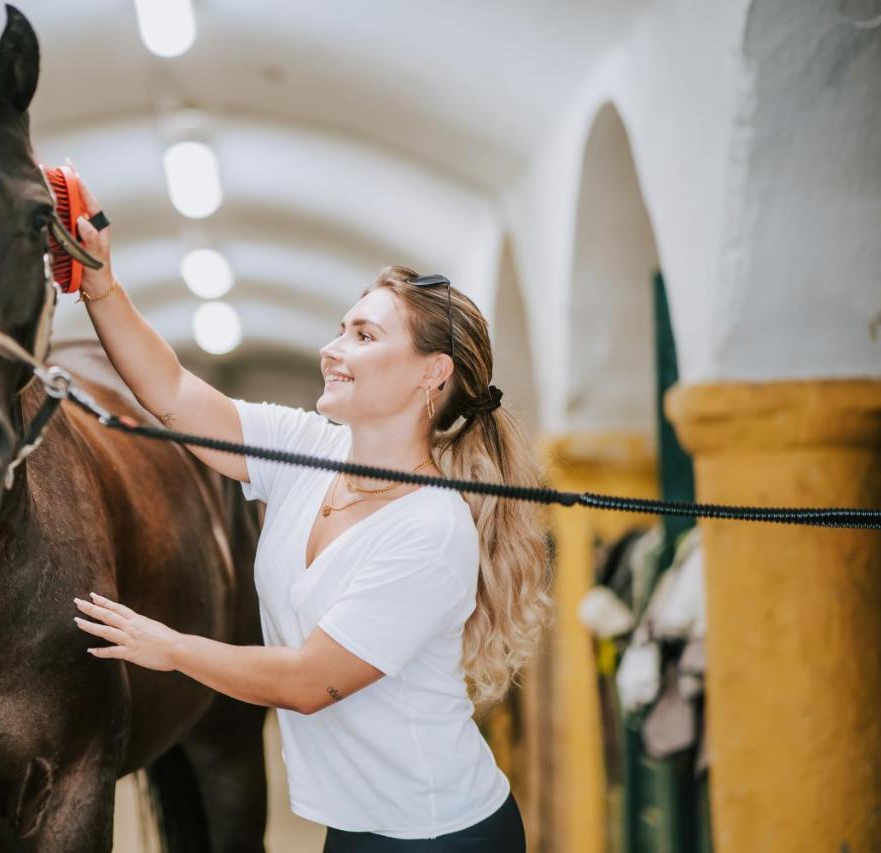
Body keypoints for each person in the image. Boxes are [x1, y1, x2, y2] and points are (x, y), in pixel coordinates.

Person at [66, 171, 549, 852]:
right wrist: (102, 287)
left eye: (362, 335)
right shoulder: (308, 450)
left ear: (430, 373)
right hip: (354, 827)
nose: (333, 349)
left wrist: (168, 647)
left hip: (442, 833)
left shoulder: (432, 529)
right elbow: (172, 393)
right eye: (340, 329)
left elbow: (309, 681)